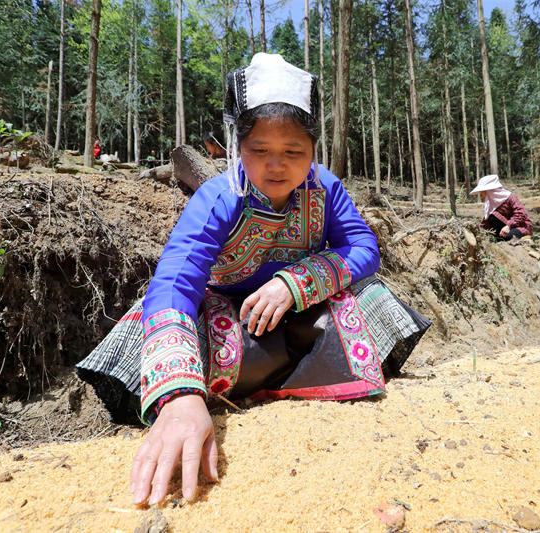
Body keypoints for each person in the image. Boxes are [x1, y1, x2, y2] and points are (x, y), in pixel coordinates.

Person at [76, 53, 430, 506]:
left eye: (293, 152)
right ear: (237, 147)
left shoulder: (327, 189)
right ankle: (229, 390)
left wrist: (297, 282)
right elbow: (174, 283)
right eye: (259, 151)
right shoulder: (218, 196)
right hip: (230, 323)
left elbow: (364, 250)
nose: (275, 166)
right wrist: (182, 395)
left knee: (373, 299)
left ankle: (268, 376)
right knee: (152, 323)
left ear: (314, 151)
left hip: (300, 314)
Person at [470, 174, 533, 241]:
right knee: (492, 218)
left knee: (510, 236)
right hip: (504, 229)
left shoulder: (510, 198)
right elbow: (486, 222)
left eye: (482, 192)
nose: (482, 195)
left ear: (489, 191)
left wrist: (508, 226)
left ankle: (524, 238)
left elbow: (521, 213)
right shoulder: (490, 204)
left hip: (520, 226)